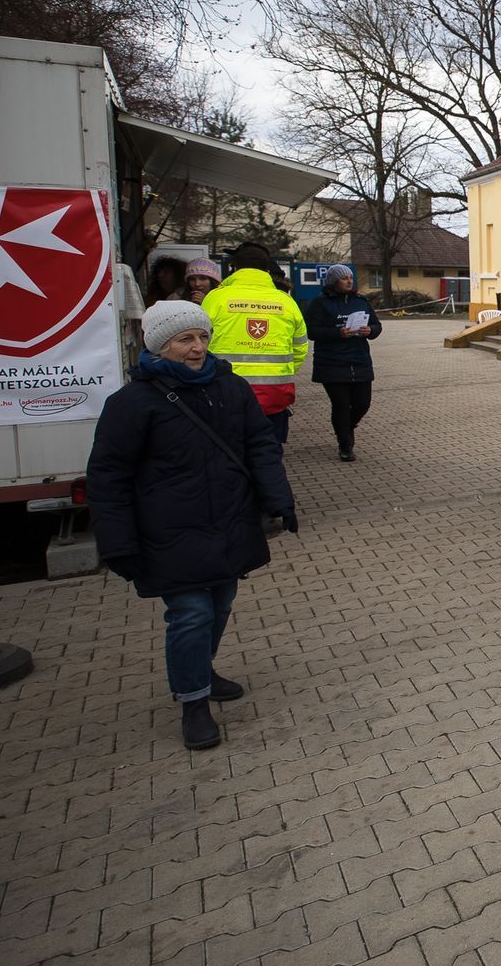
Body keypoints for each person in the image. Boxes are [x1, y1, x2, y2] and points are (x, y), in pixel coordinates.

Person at [85, 301, 297, 750]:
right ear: (161, 346)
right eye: (185, 339)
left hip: (227, 520)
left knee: (220, 604)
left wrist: (278, 500)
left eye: (202, 337)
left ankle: (201, 669)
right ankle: (193, 703)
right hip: (168, 530)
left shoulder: (230, 387)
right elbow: (108, 477)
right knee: (191, 613)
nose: (198, 347)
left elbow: (260, 444)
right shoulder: (132, 403)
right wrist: (116, 542)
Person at [202, 242, 309, 446]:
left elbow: (199, 344)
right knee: (268, 456)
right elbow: (300, 347)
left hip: (225, 395)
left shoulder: (215, 299)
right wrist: (281, 372)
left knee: (230, 458)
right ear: (267, 270)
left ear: (234, 268)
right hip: (274, 396)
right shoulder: (286, 302)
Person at [304, 263, 382, 462]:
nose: (349, 281)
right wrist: (337, 333)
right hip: (332, 362)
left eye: (350, 277)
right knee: (341, 404)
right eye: (344, 278)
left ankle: (347, 428)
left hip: (359, 360)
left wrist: (370, 331)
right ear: (333, 281)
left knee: (362, 404)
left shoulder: (361, 301)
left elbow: (376, 325)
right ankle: (345, 444)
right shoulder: (320, 303)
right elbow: (312, 331)